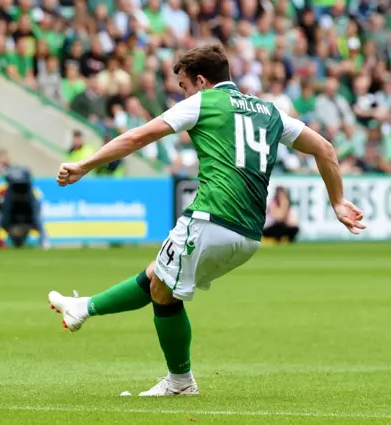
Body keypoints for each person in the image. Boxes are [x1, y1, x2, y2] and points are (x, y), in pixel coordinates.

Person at [48, 44, 365, 396]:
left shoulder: (203, 102)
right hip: (249, 235)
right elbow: (324, 148)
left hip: (212, 217)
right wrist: (337, 201)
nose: (183, 94)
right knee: (159, 276)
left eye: (183, 87)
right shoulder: (269, 110)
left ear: (201, 81)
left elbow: (139, 135)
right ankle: (83, 308)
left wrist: (84, 165)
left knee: (163, 292)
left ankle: (180, 382)